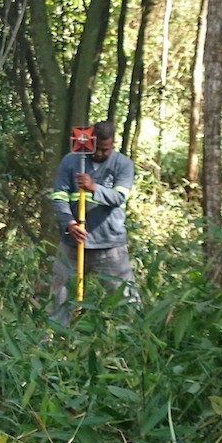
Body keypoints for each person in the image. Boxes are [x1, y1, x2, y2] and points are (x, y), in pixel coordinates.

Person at [48, 119, 139, 323]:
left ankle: (133, 340)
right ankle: (54, 342)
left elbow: (119, 197)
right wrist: (69, 223)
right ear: (89, 141)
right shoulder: (72, 161)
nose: (99, 154)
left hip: (109, 245)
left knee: (125, 298)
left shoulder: (123, 164)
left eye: (105, 150)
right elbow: (59, 196)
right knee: (60, 297)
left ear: (113, 144)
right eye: (96, 148)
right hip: (72, 243)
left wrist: (94, 187)